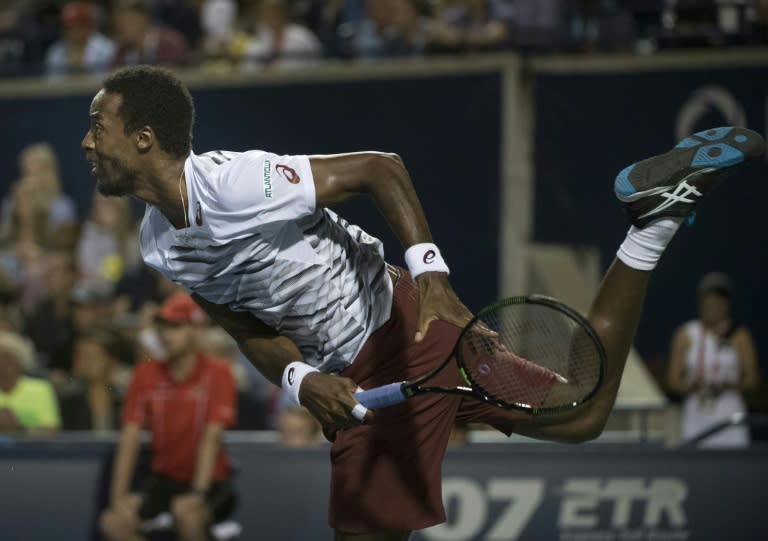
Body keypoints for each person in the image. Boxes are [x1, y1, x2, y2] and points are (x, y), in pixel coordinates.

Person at [81, 64, 765, 539]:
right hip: (370, 364)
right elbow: (237, 317)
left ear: (144, 138)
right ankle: (654, 224)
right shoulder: (157, 243)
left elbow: (381, 167)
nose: (87, 141)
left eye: (97, 125)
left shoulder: (234, 182)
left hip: (403, 331)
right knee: (581, 413)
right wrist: (299, 377)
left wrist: (431, 274)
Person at [99, 291, 237, 541]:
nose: (166, 335)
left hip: (211, 482)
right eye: (162, 327)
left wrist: (197, 493)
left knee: (188, 515)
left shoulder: (218, 372)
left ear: (196, 330)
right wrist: (118, 499)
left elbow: (211, 436)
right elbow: (129, 437)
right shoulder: (145, 373)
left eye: (175, 326)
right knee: (113, 522)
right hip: (163, 480)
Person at [666, 272, 759, 448]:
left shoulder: (739, 335)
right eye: (709, 301)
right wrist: (691, 386)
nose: (714, 306)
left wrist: (728, 386)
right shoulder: (685, 334)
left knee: (733, 467)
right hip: (697, 410)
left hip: (729, 411)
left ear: (727, 305)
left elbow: (752, 380)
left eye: (719, 301)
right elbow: (673, 381)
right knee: (697, 466)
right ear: (701, 302)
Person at [0, 330, 60, 433]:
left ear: (20, 364)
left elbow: (51, 431)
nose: (3, 367)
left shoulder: (41, 389)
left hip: (32, 449)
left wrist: (19, 428)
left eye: (8, 361)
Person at [44, 1, 115, 77]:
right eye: (68, 27)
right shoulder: (55, 52)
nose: (74, 30)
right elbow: (51, 84)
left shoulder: (107, 48)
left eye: (79, 26)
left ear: (88, 25)